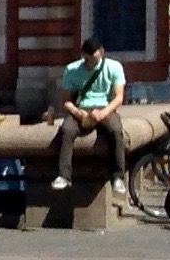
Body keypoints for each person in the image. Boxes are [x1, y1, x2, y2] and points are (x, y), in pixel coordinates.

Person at [49, 36, 129, 191]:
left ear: (102, 53)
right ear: (82, 55)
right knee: (67, 131)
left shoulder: (114, 67)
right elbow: (66, 100)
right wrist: (78, 113)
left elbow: (119, 97)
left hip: (105, 108)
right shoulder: (72, 69)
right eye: (88, 60)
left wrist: (103, 112)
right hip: (81, 107)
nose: (92, 63)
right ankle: (64, 175)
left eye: (95, 59)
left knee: (116, 132)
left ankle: (117, 176)